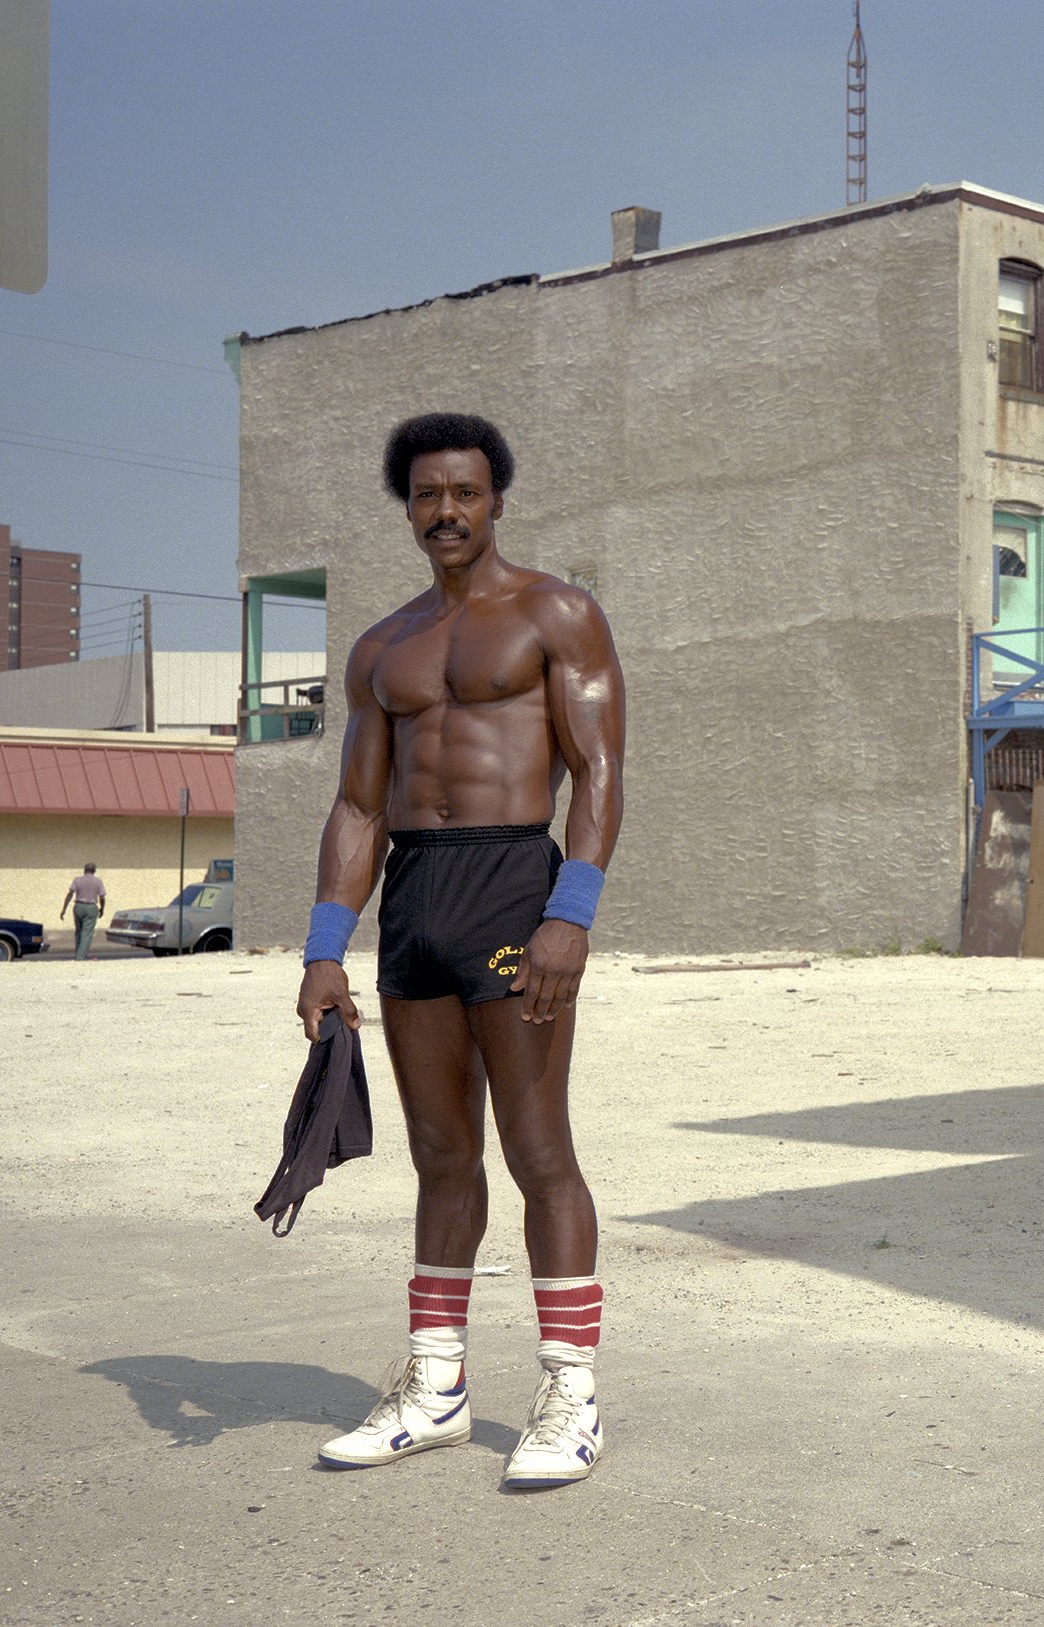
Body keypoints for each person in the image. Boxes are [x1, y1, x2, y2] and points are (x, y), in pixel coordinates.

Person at [296, 412, 625, 1490]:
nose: (446, 511)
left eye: (465, 494)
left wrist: (569, 913)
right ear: (407, 508)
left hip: (511, 889)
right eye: (428, 496)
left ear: (495, 500)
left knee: (538, 1150)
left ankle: (570, 1395)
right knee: (441, 1154)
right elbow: (357, 806)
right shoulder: (381, 647)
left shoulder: (554, 612)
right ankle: (435, 1387)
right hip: (415, 899)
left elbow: (599, 768)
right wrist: (323, 948)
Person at [61, 864, 106, 960]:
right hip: (91, 907)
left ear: (84, 870)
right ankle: (80, 957)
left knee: (79, 931)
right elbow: (102, 897)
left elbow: (70, 894)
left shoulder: (77, 880)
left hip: (78, 906)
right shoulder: (98, 881)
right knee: (87, 933)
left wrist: (64, 909)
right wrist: (102, 909)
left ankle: (79, 954)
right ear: (94, 871)